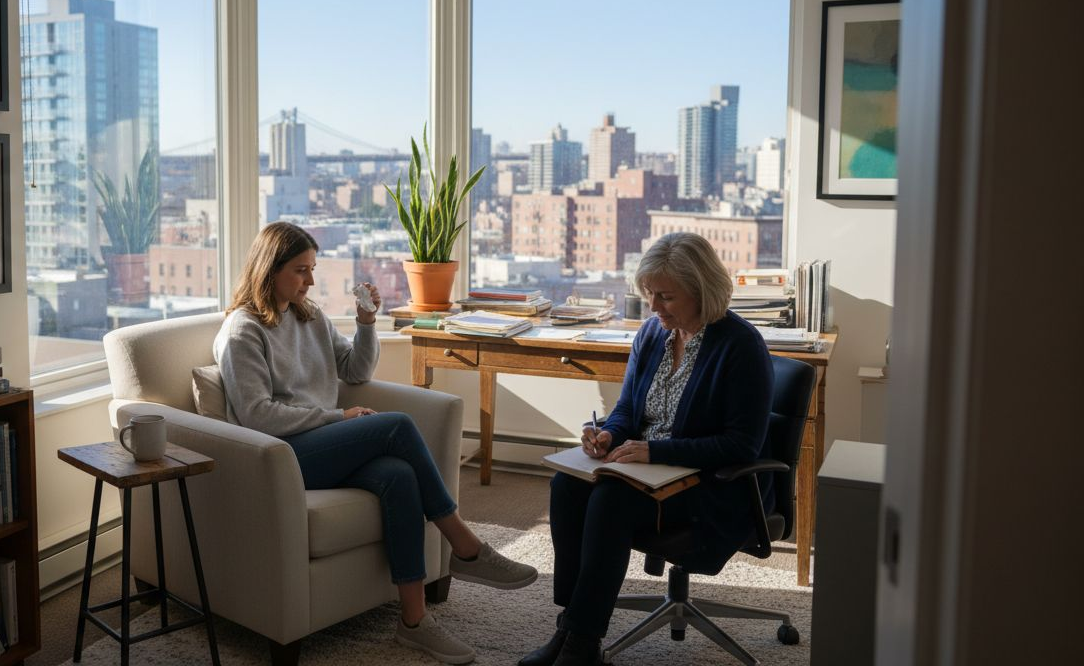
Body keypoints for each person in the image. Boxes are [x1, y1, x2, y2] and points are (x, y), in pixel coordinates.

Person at [214, 221, 538, 665]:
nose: (310, 280)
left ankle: (414, 622)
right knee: (396, 425)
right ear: (268, 270)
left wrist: (367, 324)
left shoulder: (309, 316)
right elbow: (257, 415)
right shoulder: (242, 331)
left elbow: (356, 371)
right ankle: (465, 546)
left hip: (324, 443)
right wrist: (336, 416)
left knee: (397, 475)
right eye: (300, 271)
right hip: (283, 456)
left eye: (312, 269)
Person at [520, 232, 774, 666]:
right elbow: (625, 413)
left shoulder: (740, 347)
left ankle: (582, 644)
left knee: (610, 500)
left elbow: (740, 444)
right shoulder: (652, 335)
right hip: (647, 472)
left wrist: (657, 451)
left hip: (709, 485)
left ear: (701, 291)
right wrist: (605, 436)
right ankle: (570, 624)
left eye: (666, 297)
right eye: (650, 295)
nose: (654, 307)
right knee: (567, 485)